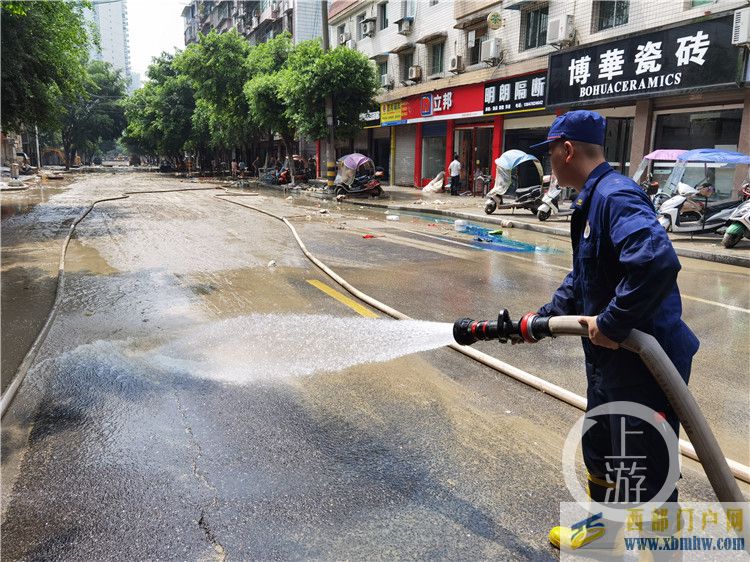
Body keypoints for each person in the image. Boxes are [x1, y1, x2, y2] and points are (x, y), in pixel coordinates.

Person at [528, 110, 699, 550]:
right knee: (602, 443)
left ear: (567, 150)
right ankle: (604, 529)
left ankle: (663, 552)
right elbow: (584, 278)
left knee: (649, 462)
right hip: (612, 357)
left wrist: (612, 321)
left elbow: (656, 261)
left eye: (550, 152)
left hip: (647, 362)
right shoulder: (592, 199)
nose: (550, 162)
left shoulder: (615, 196)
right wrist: (540, 321)